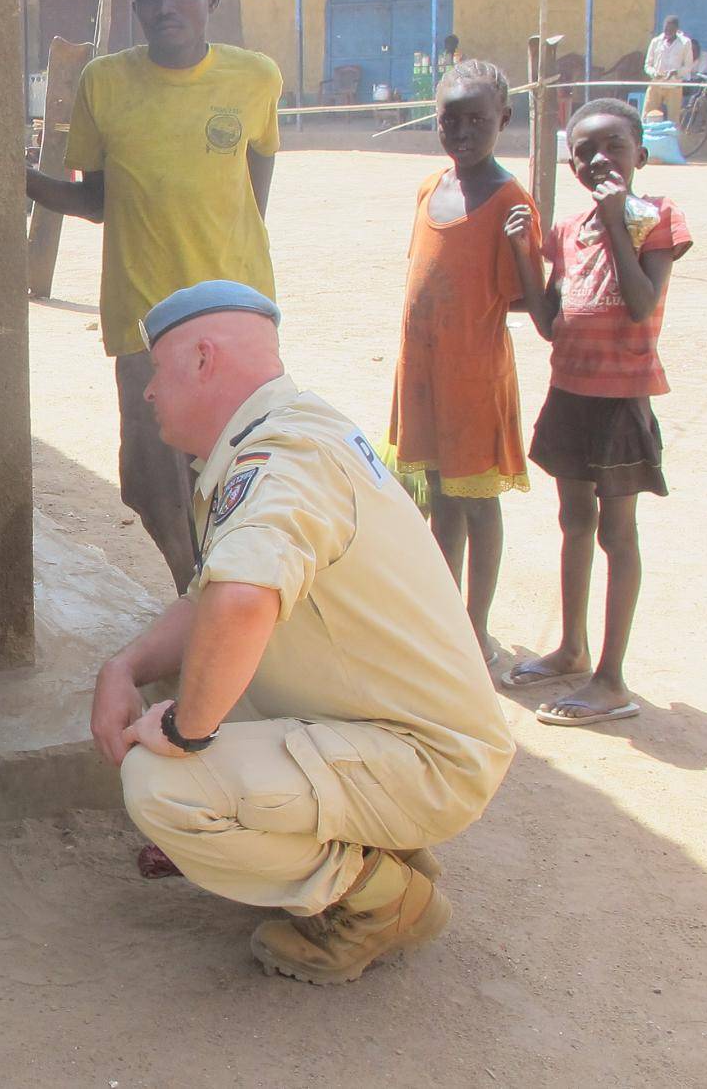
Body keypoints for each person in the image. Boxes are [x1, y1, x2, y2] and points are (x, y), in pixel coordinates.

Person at [92, 281, 514, 984]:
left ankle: (379, 902)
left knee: (162, 783)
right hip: (394, 727)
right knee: (184, 670)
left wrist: (187, 733)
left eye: (157, 371)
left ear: (203, 359)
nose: (147, 393)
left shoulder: (281, 459)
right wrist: (123, 667)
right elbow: (210, 598)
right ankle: (373, 842)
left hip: (424, 758)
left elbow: (243, 602)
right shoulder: (287, 429)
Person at [25, 0, 281, 597]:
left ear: (211, 0)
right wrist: (22, 179)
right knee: (146, 478)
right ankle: (194, 592)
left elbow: (256, 182)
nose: (165, 7)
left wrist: (234, 269)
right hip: (142, 319)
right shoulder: (103, 83)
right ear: (135, 3)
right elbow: (96, 199)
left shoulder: (256, 79)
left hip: (232, 319)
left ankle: (224, 608)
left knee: (231, 469)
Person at [503, 99, 691, 725]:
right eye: (583, 151)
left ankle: (611, 679)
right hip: (571, 390)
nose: (598, 159)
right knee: (574, 519)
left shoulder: (656, 219)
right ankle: (571, 648)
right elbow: (552, 326)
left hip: (619, 398)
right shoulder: (566, 229)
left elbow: (640, 304)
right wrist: (526, 266)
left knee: (618, 532)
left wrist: (615, 220)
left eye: (613, 145)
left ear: (641, 151)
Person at [388, 60, 542, 663]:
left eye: (477, 120)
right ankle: (444, 614)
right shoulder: (431, 189)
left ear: (503, 119)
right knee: (440, 498)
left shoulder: (509, 202)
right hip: (424, 374)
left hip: (474, 379)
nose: (463, 132)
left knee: (478, 502)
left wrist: (519, 246)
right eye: (450, 119)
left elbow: (527, 297)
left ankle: (475, 629)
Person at [644, 15, 694, 123]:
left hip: (674, 85)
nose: (667, 32)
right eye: (666, 29)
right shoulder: (655, 42)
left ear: (676, 29)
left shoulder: (685, 43)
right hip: (656, 84)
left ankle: (672, 139)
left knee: (674, 120)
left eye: (671, 29)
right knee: (648, 116)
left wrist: (676, 72)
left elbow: (688, 66)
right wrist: (654, 73)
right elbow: (647, 65)